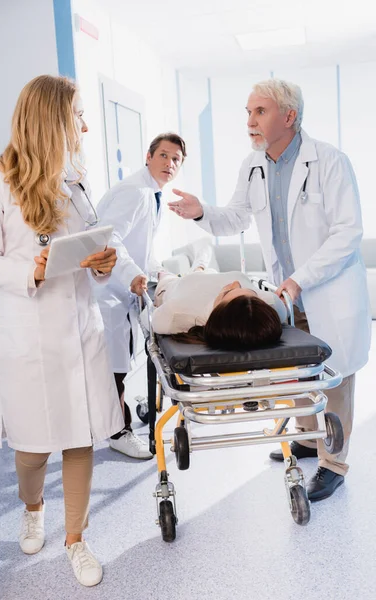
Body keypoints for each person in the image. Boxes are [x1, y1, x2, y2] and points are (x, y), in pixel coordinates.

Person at [168, 78, 372, 502]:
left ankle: (333, 463)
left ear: (289, 116)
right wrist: (202, 212)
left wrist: (300, 279)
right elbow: (238, 217)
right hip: (288, 292)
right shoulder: (254, 164)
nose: (250, 122)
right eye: (247, 113)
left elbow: (348, 233)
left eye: (259, 112)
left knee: (333, 380)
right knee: (296, 370)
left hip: (325, 288)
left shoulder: (330, 161)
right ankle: (305, 437)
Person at [0, 75, 124, 587]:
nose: (84, 124)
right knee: (34, 449)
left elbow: (94, 248)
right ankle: (32, 505)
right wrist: (30, 272)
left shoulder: (75, 182)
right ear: (51, 118)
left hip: (79, 330)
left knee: (79, 437)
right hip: (27, 334)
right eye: (78, 114)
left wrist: (104, 262)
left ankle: (76, 540)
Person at [94, 133, 186, 459]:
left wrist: (159, 271)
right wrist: (133, 274)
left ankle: (118, 422)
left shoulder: (152, 194)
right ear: (149, 156)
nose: (169, 163)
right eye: (163, 155)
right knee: (113, 368)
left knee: (118, 363)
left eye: (176, 159)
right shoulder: (134, 191)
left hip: (120, 290)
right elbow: (110, 239)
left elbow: (141, 247)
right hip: (106, 290)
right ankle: (118, 432)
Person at [152, 268, 286, 351]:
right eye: (252, 292)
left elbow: (148, 318)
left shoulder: (176, 312)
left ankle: (162, 271)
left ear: (218, 313)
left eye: (228, 292)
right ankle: (200, 267)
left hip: (174, 284)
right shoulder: (273, 304)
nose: (235, 283)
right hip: (211, 274)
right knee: (204, 269)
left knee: (164, 274)